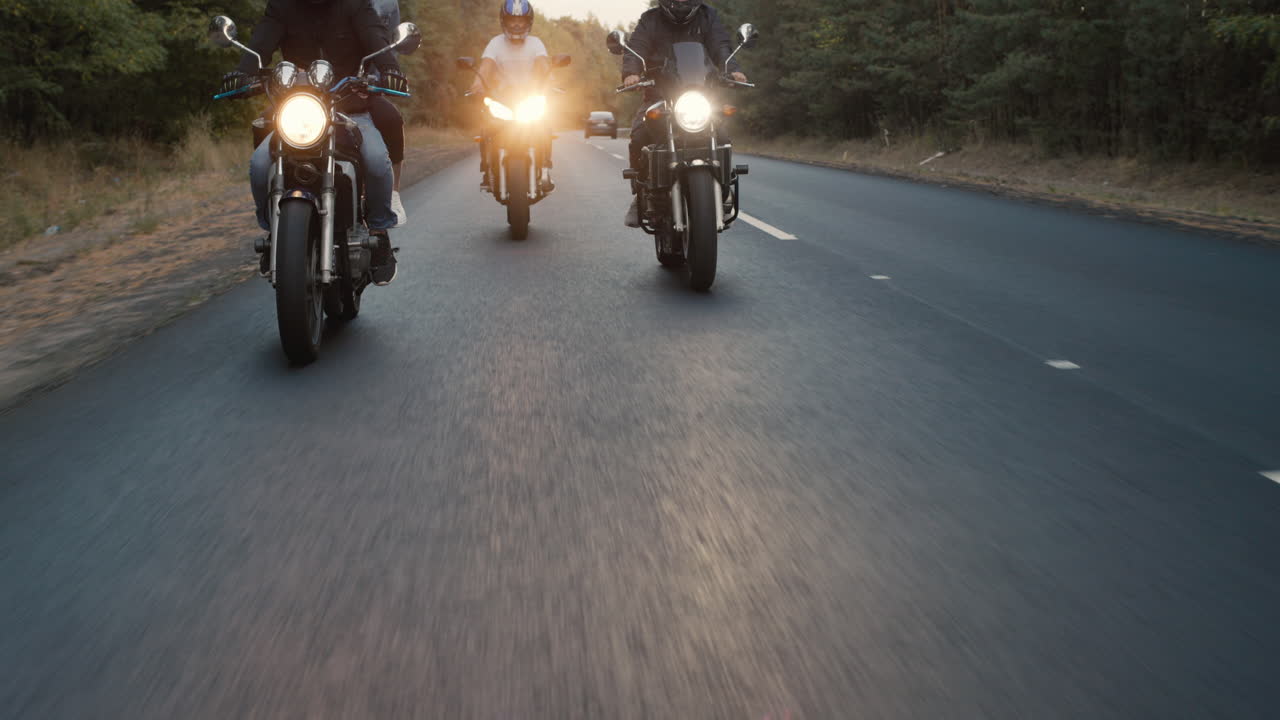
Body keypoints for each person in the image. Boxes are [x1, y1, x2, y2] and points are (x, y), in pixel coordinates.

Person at [221, 0, 408, 285]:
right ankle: (275, 234)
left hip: (349, 106)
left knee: (376, 159)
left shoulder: (355, 5)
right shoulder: (282, 6)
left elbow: (375, 37)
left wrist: (391, 69)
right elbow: (260, 45)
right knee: (260, 163)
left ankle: (380, 234)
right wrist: (241, 73)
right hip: (297, 108)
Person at [619, 0, 748, 227]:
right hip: (659, 95)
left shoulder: (708, 16)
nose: (680, 2)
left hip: (700, 95)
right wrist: (632, 72)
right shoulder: (650, 20)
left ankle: (724, 190)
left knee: (722, 137)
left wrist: (732, 69)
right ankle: (640, 194)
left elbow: (721, 46)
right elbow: (637, 48)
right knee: (640, 135)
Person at [467, 0, 555, 193]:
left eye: (521, 20)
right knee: (487, 128)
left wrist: (551, 85)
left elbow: (544, 67)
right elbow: (486, 66)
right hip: (501, 100)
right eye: (512, 19)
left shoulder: (536, 44)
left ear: (529, 22)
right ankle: (486, 168)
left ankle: (546, 168)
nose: (516, 24)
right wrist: (477, 84)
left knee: (544, 125)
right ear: (503, 21)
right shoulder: (495, 43)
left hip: (530, 98)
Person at [370, 0, 408, 227]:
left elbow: (391, 44)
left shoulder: (387, 4)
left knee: (392, 119)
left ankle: (393, 193)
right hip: (307, 90)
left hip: (363, 84)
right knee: (264, 123)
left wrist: (391, 71)